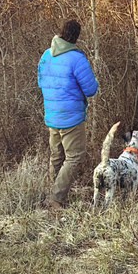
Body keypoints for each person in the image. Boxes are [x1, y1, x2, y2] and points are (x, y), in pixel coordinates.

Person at [37, 20, 98, 209]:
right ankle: (55, 198)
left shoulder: (46, 55)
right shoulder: (76, 58)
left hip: (52, 115)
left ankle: (50, 194)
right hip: (71, 117)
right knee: (74, 157)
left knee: (56, 157)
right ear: (77, 36)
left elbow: (40, 82)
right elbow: (91, 89)